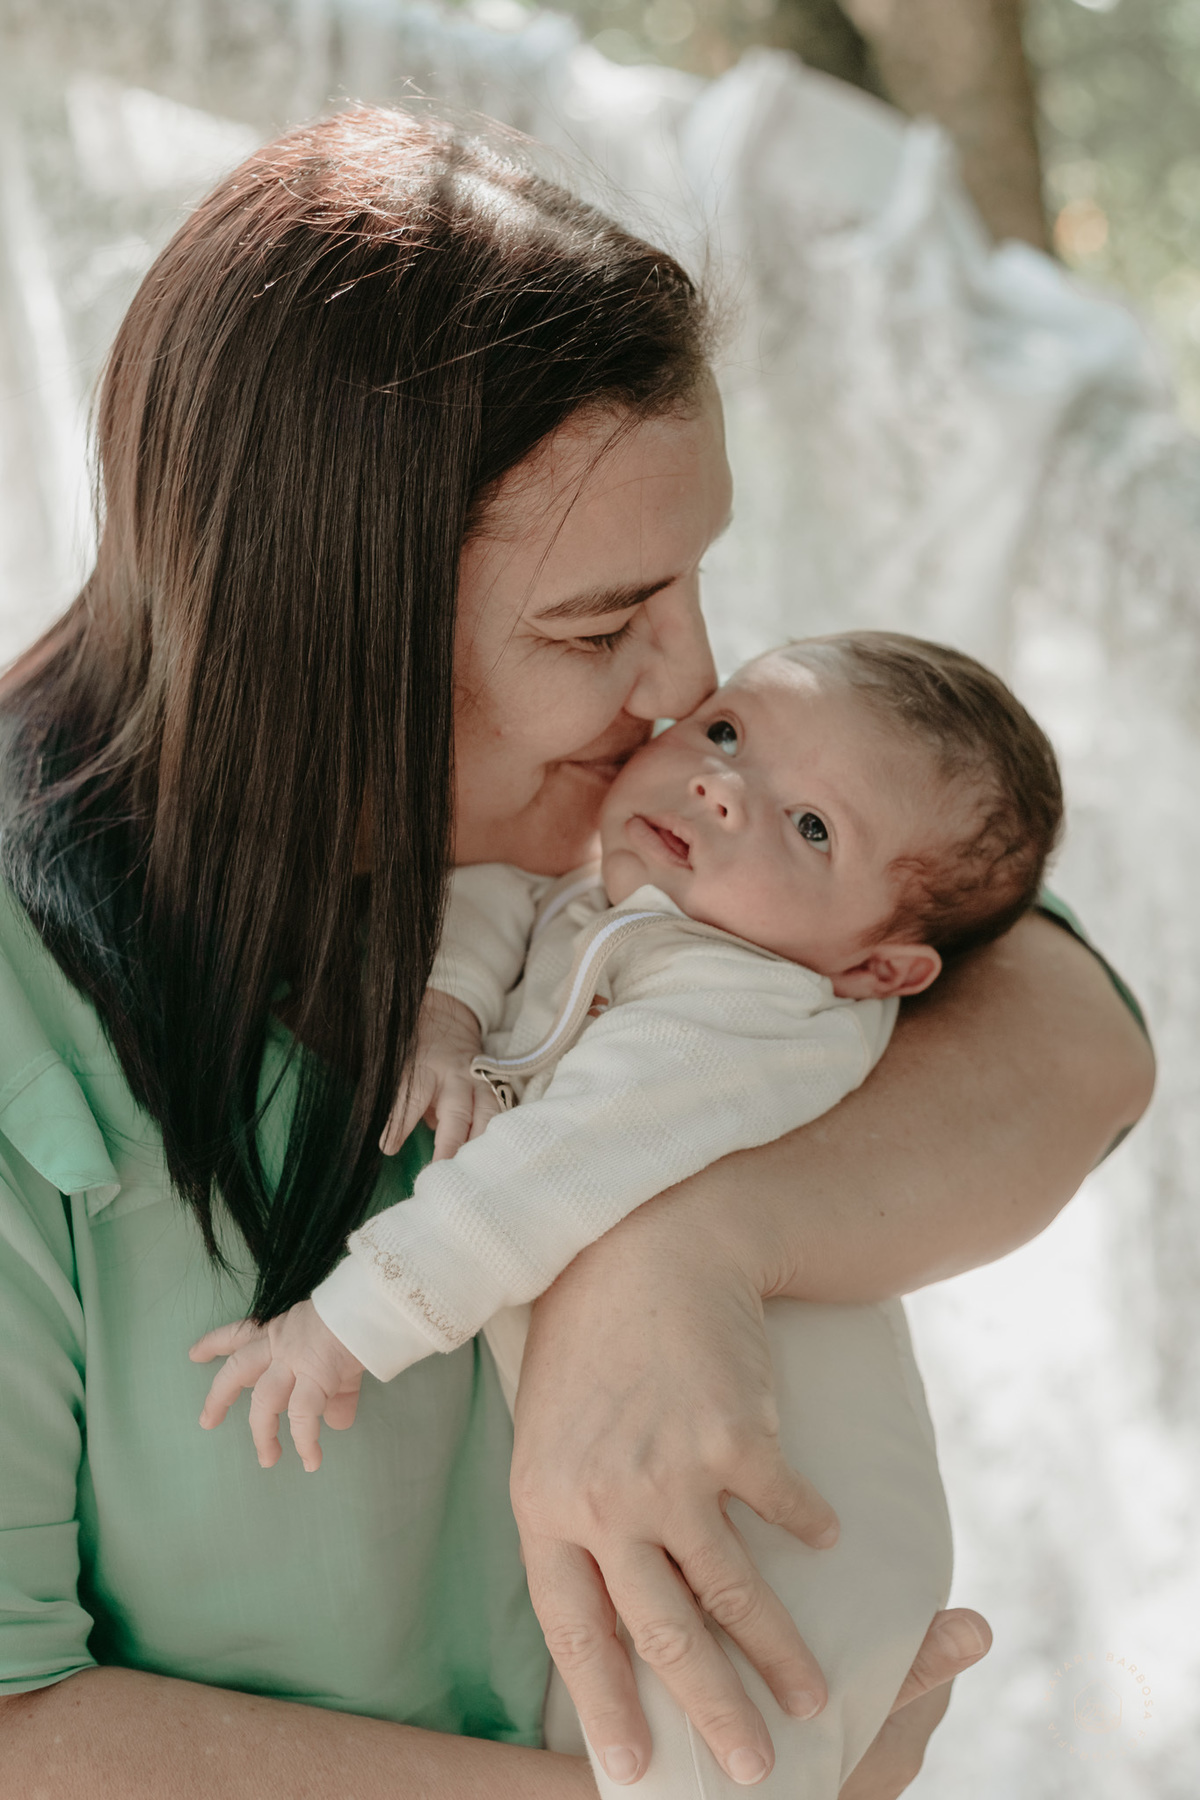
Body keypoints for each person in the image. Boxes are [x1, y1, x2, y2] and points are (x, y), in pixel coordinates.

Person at [0, 107, 1151, 1800]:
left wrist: (678, 1242)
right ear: (328, 635)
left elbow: (1071, 1023)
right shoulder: (39, 1026)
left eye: (693, 584)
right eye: (602, 625)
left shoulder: (645, 845)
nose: (687, 685)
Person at [191, 630, 1063, 1798]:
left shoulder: (751, 1015)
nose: (722, 788)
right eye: (728, 732)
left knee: (698, 1742)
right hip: (664, 1467)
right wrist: (447, 1012)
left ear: (876, 971)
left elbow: (555, 1167)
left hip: (791, 1515)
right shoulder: (645, 907)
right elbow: (503, 902)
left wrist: (350, 1323)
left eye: (813, 827)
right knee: (621, 1718)